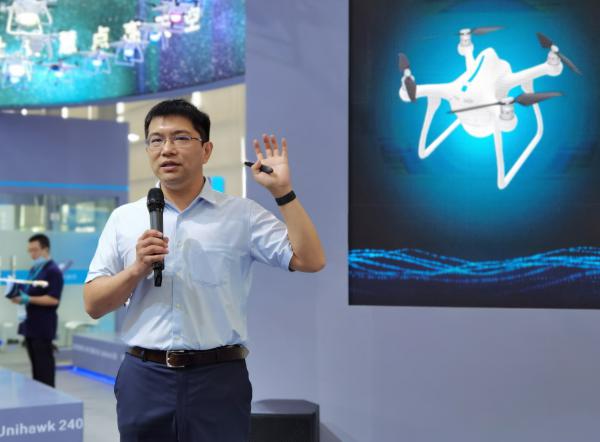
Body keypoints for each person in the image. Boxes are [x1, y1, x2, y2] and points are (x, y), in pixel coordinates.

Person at [83, 98, 325, 441]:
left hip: (218, 380)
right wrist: (135, 269)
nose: (167, 149)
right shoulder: (125, 218)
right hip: (144, 379)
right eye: (156, 140)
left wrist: (283, 192)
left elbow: (311, 260)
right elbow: (93, 304)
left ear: (206, 150)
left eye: (181, 138)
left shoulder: (241, 214)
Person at [7, 234, 64, 388]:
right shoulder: (35, 269)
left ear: (46, 249)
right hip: (30, 325)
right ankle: (38, 398)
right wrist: (16, 292)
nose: (32, 254)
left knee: (44, 370)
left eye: (35, 250)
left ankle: (48, 398)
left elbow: (54, 299)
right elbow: (29, 289)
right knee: (36, 371)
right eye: (30, 250)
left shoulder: (53, 271)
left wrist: (27, 299)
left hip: (43, 326)